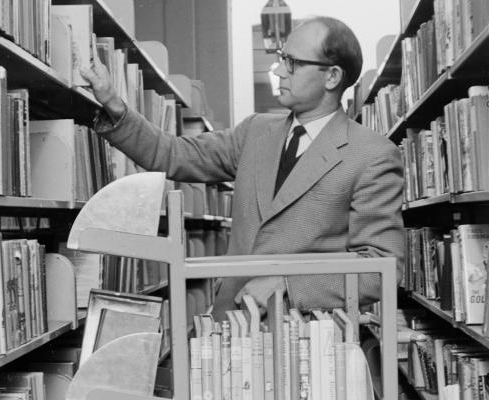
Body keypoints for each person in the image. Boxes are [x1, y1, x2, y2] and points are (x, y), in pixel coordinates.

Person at [81, 16, 404, 319]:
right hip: (232, 327)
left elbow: (379, 267)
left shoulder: (371, 155)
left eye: (293, 63)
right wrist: (113, 103)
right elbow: (173, 154)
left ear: (332, 76)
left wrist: (288, 284)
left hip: (310, 345)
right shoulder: (255, 132)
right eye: (282, 58)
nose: (278, 71)